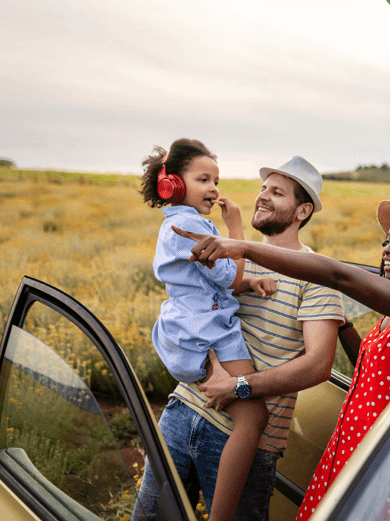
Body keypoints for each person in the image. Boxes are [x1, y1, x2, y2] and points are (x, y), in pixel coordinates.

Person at [173, 195, 390, 521]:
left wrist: (244, 248)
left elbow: (339, 276)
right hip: (351, 451)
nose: (387, 250)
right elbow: (368, 372)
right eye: (386, 241)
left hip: (387, 464)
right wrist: (337, 320)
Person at [135, 156, 350, 521]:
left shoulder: (315, 275)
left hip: (244, 439)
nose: (262, 196)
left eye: (277, 192)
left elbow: (317, 366)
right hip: (182, 411)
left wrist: (239, 387)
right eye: (263, 188)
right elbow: (186, 300)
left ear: (303, 210)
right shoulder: (232, 255)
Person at [137, 139, 272, 521]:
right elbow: (229, 277)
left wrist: (250, 284)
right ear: (174, 185)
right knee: (254, 418)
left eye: (216, 180)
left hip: (187, 331)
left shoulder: (174, 224)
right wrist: (235, 228)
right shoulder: (195, 227)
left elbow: (209, 282)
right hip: (209, 334)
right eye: (203, 179)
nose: (214, 188)